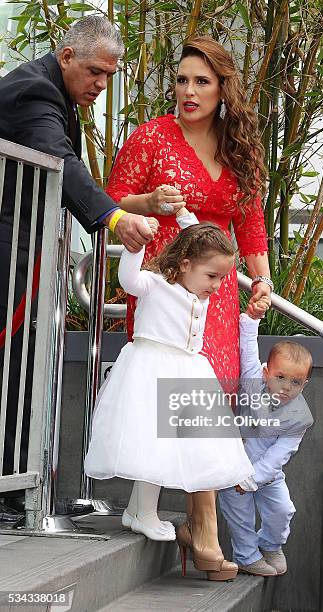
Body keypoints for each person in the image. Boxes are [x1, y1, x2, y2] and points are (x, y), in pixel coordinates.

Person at [104, 35, 272, 563]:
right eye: (181, 80)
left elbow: (250, 221)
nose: (189, 91)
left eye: (202, 81)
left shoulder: (237, 145)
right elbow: (109, 196)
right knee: (170, 391)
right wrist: (150, 200)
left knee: (206, 399)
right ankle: (202, 527)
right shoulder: (152, 137)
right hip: (164, 280)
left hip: (217, 291)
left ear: (224, 88)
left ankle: (200, 524)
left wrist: (261, 279)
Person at [0, 15, 152, 515]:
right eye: (94, 72)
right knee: (10, 364)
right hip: (10, 254)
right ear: (66, 57)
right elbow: (60, 162)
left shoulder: (55, 92)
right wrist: (112, 216)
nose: (102, 85)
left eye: (110, 75)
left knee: (19, 365)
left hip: (28, 254)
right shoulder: (34, 94)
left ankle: (12, 488)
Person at [84, 209, 255, 581]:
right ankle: (144, 513)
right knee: (153, 441)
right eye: (212, 276)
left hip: (188, 368)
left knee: (167, 444)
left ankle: (136, 510)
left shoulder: (198, 289)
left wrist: (181, 214)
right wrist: (137, 242)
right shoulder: (158, 283)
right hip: (152, 365)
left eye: (221, 278)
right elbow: (128, 279)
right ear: (186, 264)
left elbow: (194, 233)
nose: (216, 286)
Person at [218, 300, 314, 577]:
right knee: (240, 516)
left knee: (283, 510)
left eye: (295, 382)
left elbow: (279, 455)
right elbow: (248, 351)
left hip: (267, 474)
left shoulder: (300, 417)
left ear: (304, 384)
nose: (285, 387)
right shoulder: (253, 380)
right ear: (265, 373)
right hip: (234, 468)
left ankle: (270, 544)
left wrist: (253, 479)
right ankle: (246, 555)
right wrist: (250, 320)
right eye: (280, 377)